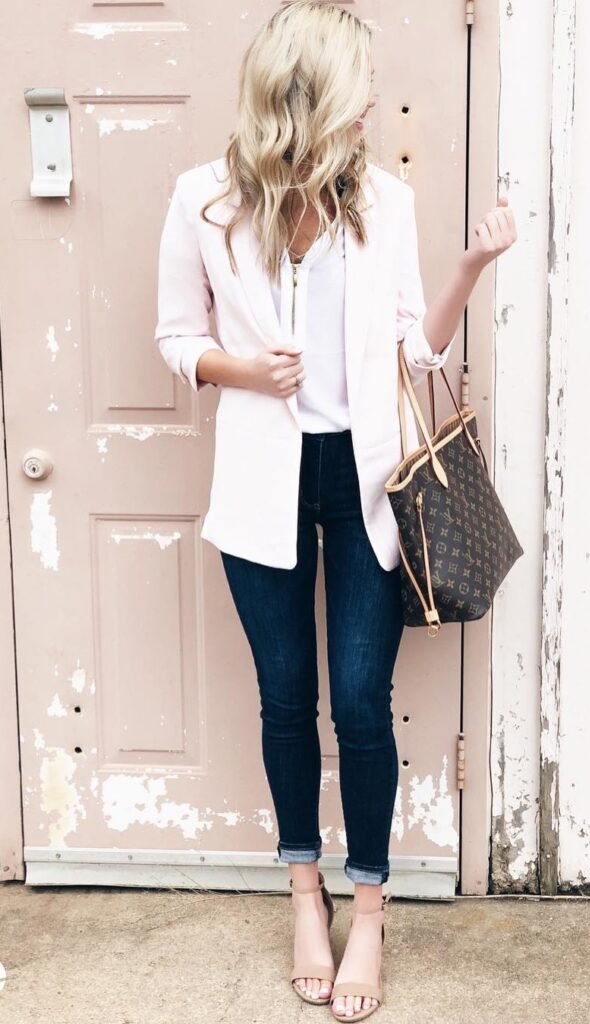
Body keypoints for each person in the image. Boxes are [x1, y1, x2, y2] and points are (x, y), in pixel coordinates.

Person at [154, 2, 516, 1018]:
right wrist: (243, 368)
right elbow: (175, 337)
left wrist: (466, 269)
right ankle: (303, 893)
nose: (366, 110)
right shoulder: (204, 202)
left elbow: (417, 351)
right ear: (303, 95)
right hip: (260, 482)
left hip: (364, 486)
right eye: (353, 90)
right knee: (283, 699)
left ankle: (368, 909)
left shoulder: (383, 204)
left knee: (358, 701)